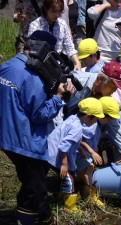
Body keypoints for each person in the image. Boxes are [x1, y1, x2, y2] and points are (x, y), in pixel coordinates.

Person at [0, 31, 72, 225]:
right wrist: (58, 98)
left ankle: (27, 211)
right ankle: (25, 218)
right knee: (36, 186)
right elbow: (39, 114)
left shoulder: (7, 66)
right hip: (23, 139)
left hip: (6, 135)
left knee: (29, 177)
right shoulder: (32, 76)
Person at [47, 97, 104, 213]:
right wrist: (64, 164)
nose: (95, 122)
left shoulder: (72, 118)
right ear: (88, 116)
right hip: (57, 156)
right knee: (69, 181)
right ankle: (70, 208)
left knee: (67, 179)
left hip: (50, 151)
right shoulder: (77, 128)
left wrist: (81, 150)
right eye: (95, 119)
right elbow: (64, 146)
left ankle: (60, 199)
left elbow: (70, 139)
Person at [75, 96, 120, 208]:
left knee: (89, 169)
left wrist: (95, 150)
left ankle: (87, 190)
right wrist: (92, 152)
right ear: (101, 115)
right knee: (89, 168)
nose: (110, 121)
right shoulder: (90, 126)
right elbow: (79, 139)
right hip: (78, 154)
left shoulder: (96, 125)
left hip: (87, 153)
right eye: (109, 118)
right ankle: (89, 195)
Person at [28, 0, 81, 70]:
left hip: (56, 65)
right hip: (39, 65)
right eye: (54, 11)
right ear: (46, 9)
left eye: (59, 12)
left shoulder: (62, 24)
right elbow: (30, 49)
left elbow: (69, 47)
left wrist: (77, 62)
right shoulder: (35, 25)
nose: (57, 15)